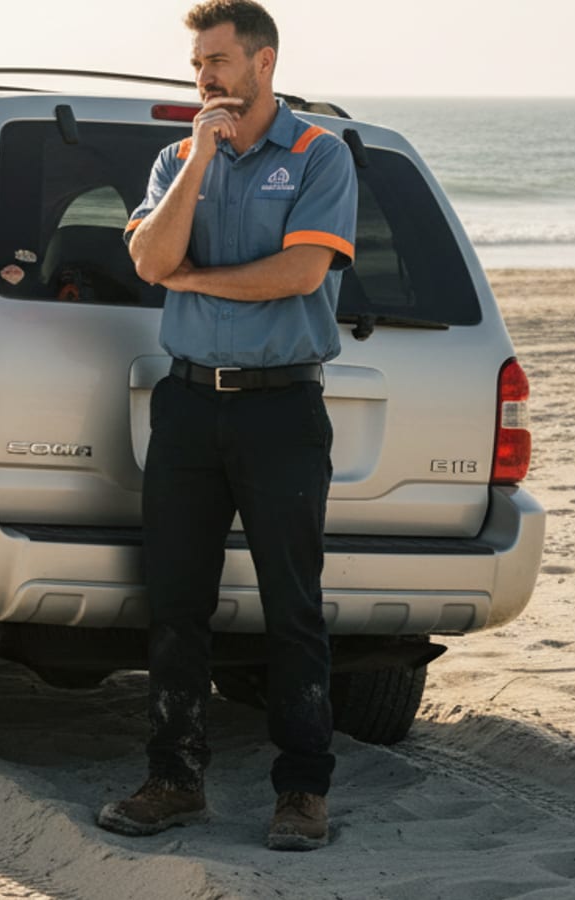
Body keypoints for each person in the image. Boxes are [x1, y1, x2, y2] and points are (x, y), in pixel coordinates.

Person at [95, 0, 358, 852]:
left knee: (293, 607)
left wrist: (197, 283)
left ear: (263, 62)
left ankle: (301, 793)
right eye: (197, 65)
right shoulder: (177, 157)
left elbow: (299, 272)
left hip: (282, 407)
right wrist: (201, 159)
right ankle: (173, 779)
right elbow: (147, 261)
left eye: (217, 61)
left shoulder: (320, 155)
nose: (204, 77)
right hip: (188, 405)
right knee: (175, 604)